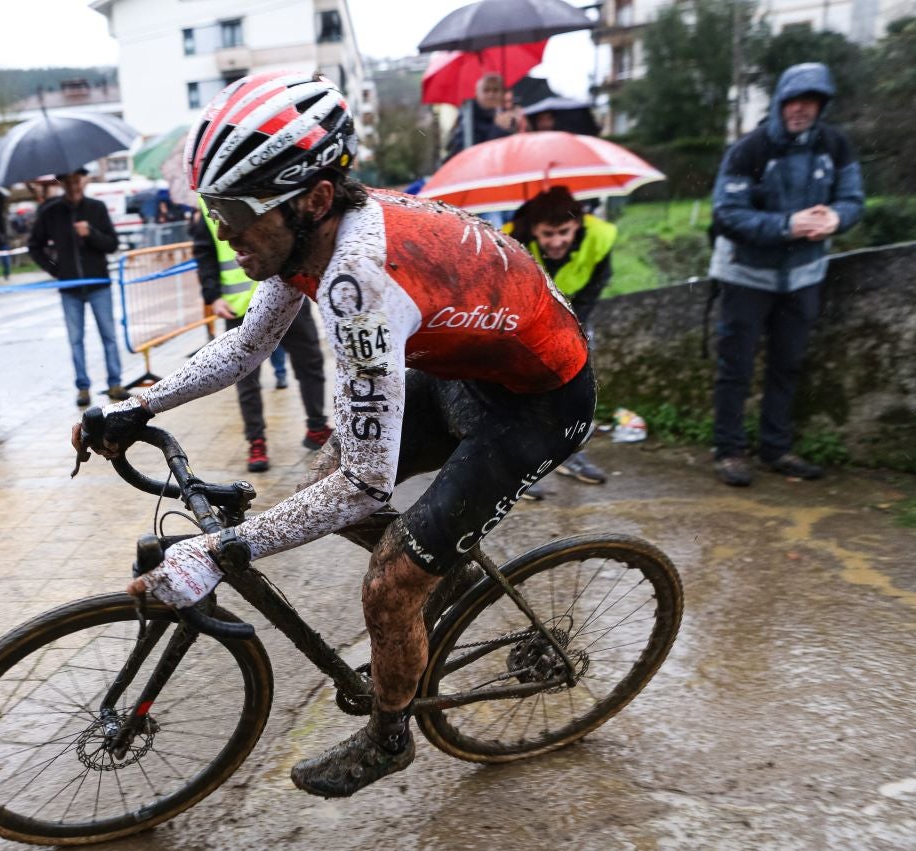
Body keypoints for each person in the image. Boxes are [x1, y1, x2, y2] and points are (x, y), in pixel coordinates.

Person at [74, 73, 594, 798]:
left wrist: (220, 550)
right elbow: (248, 345)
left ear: (315, 198)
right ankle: (449, 571)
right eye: (211, 207)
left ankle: (389, 737)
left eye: (233, 209)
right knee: (323, 482)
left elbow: (366, 487)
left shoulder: (359, 278)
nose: (222, 229)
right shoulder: (311, 234)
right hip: (463, 373)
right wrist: (141, 405)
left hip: (536, 403)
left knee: (387, 584)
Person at [709, 62, 863, 487]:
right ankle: (729, 450)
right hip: (746, 274)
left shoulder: (835, 146)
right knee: (735, 365)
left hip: (804, 274)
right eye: (794, 100)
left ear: (821, 105)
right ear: (780, 102)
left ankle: (776, 448)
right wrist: (785, 225)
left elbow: (853, 198)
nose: (800, 109)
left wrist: (836, 217)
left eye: (810, 101)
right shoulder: (749, 149)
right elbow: (727, 212)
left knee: (788, 363)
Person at [191, 196, 331, 472]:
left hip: (289, 293)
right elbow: (205, 253)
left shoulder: (266, 186)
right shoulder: (205, 203)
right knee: (245, 378)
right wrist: (213, 296)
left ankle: (317, 427)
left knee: (310, 362)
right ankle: (256, 440)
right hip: (240, 306)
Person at [507, 185, 617, 485]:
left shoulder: (599, 239)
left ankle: (571, 452)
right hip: (524, 317)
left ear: (577, 225)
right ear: (533, 230)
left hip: (575, 314)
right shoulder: (509, 242)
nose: (556, 242)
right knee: (517, 389)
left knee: (579, 388)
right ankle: (516, 461)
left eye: (564, 232)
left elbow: (594, 287)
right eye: (547, 234)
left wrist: (572, 330)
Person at [28, 168, 128, 407]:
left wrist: (90, 233)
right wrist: (56, 269)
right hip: (70, 287)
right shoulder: (51, 212)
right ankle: (82, 387)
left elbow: (112, 244)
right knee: (76, 339)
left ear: (83, 181)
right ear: (61, 183)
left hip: (98, 282)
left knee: (108, 335)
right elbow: (34, 245)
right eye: (68, 181)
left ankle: (115, 383)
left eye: (77, 180)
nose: (73, 185)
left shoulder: (96, 208)